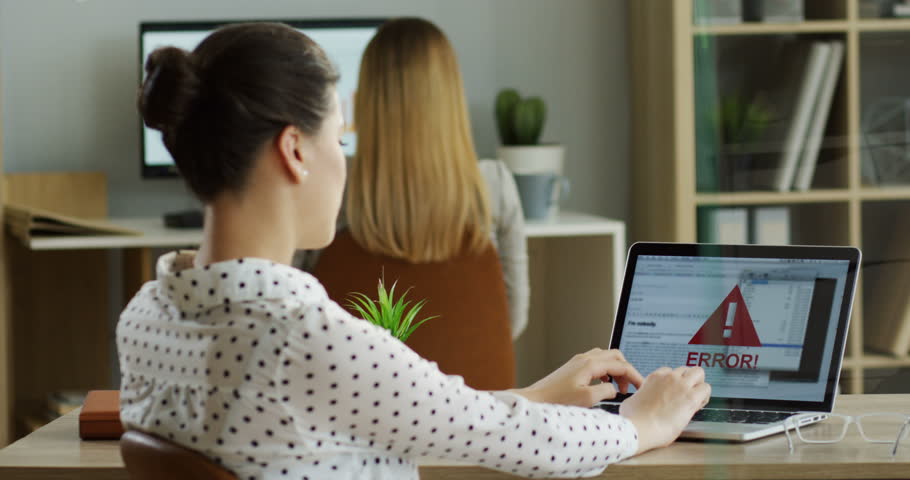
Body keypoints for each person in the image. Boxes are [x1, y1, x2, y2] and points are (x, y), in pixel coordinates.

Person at [118, 21, 711, 480]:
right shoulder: (307, 337)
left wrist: (532, 396)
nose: (345, 161)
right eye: (340, 138)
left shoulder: (145, 318)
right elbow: (517, 442)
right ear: (295, 150)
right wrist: (642, 423)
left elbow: (394, 412)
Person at [340, 17, 530, 339]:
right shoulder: (493, 185)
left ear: (369, 98)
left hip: (356, 385)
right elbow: (511, 320)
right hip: (471, 387)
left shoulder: (334, 186)